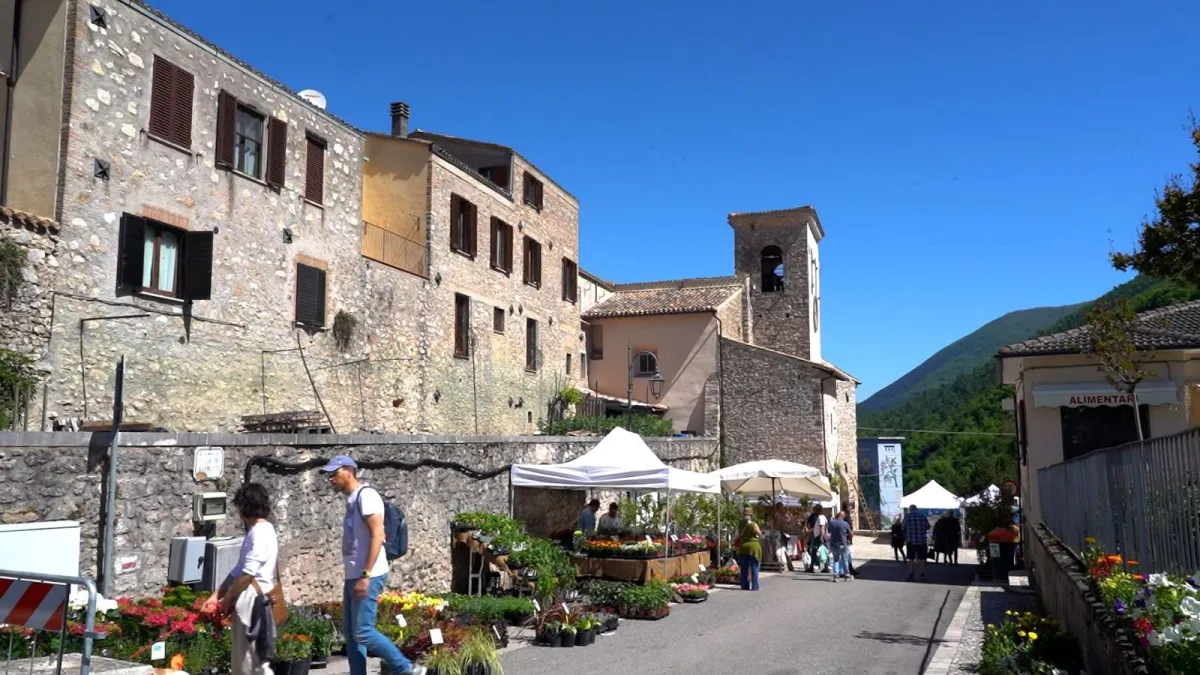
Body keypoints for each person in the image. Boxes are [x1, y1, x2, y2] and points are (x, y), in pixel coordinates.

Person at [320, 456, 425, 675]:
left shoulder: (367, 496)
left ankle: (406, 668)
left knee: (364, 632)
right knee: (351, 634)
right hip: (354, 575)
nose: (330, 479)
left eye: (334, 473)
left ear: (349, 471)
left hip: (369, 574)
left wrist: (365, 575)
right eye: (329, 475)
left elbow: (378, 535)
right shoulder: (351, 500)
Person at [201, 483, 278, 675]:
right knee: (247, 662)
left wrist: (228, 598)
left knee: (251, 663)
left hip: (253, 600)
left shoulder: (260, 533)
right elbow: (238, 570)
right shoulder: (258, 531)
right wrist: (216, 595)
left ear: (244, 508)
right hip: (255, 597)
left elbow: (247, 574)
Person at [736, 508, 762, 591]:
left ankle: (744, 586)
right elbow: (759, 534)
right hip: (753, 547)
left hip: (743, 546)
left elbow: (738, 535)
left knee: (743, 568)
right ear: (751, 515)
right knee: (754, 567)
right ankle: (755, 586)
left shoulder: (740, 524)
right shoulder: (753, 524)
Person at [903, 504, 931, 582]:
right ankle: (922, 575)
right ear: (916, 509)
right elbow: (928, 527)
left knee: (910, 558)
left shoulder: (907, 517)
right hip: (922, 541)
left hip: (911, 541)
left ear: (910, 509)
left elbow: (903, 527)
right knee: (922, 558)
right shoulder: (923, 516)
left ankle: (911, 574)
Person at [826, 510, 852, 582]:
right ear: (842, 516)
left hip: (834, 544)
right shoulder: (845, 524)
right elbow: (851, 533)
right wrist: (849, 540)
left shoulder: (831, 523)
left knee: (836, 560)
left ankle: (835, 575)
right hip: (843, 544)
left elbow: (828, 531)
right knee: (844, 560)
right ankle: (846, 575)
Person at [805, 505, 830, 573]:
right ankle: (826, 566)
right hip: (819, 536)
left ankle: (812, 567)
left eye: (815, 509)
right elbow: (818, 527)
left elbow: (822, 527)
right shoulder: (822, 517)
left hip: (819, 537)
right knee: (823, 551)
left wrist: (821, 537)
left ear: (818, 510)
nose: (814, 511)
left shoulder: (821, 517)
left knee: (814, 551)